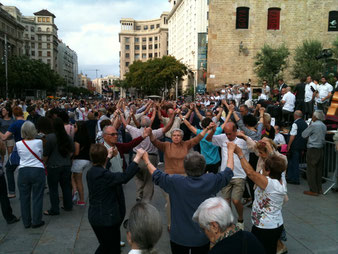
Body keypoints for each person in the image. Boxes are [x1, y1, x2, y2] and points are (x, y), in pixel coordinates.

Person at [141, 143, 236, 254]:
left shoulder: (175, 182)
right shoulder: (211, 180)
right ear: (203, 167)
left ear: (185, 167)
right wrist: (230, 151)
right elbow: (228, 171)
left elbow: (156, 174)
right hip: (203, 237)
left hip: (179, 237)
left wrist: (146, 159)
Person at [86, 144, 144, 254]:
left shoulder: (91, 172)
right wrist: (137, 158)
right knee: (111, 248)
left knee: (105, 245)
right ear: (103, 158)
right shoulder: (104, 175)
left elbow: (102, 167)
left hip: (95, 217)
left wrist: (108, 156)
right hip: (107, 219)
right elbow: (124, 177)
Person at [234, 145, 287, 254]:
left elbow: (250, 173)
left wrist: (239, 153)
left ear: (268, 171)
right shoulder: (280, 176)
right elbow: (275, 160)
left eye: (263, 167)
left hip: (265, 228)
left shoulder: (271, 185)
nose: (261, 168)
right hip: (273, 225)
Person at [206, 122, 249, 230]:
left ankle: (240, 219)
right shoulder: (222, 138)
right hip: (225, 175)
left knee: (236, 200)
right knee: (226, 201)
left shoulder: (243, 140)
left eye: (230, 134)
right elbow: (208, 139)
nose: (228, 136)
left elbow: (254, 147)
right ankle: (229, 221)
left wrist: (244, 136)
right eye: (226, 134)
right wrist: (212, 130)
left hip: (239, 175)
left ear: (236, 131)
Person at [193, 197, 265, 254]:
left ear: (214, 226)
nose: (204, 233)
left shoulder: (217, 251)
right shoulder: (249, 236)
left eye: (203, 228)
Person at [16, 121, 45, 228]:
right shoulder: (39, 142)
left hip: (23, 170)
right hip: (37, 170)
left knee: (24, 198)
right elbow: (41, 155)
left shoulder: (18, 144)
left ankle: (26, 222)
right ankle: (36, 220)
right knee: (37, 197)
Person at [43, 117, 74, 215]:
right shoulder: (67, 137)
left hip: (53, 166)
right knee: (66, 186)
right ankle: (68, 205)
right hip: (66, 165)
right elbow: (72, 151)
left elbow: (46, 154)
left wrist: (44, 162)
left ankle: (55, 209)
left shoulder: (50, 137)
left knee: (53, 188)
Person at [1, 106, 26, 198]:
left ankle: (12, 191)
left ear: (14, 114)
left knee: (9, 169)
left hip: (19, 149)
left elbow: (4, 137)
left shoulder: (15, 124)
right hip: (29, 150)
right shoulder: (29, 123)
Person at [301, 110, 327, 196]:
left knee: (311, 169)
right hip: (320, 148)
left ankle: (313, 189)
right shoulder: (323, 125)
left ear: (315, 117)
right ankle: (319, 189)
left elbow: (304, 134)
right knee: (319, 170)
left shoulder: (314, 125)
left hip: (313, 148)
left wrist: (309, 125)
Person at [71, 121, 92, 205]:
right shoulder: (87, 137)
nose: (73, 127)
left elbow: (76, 152)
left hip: (79, 160)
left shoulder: (77, 137)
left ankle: (81, 199)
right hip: (86, 160)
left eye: (75, 126)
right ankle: (75, 192)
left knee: (77, 180)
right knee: (74, 177)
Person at [286, 110, 307, 184]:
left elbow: (293, 135)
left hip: (294, 145)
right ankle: (293, 177)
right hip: (301, 145)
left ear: (295, 116)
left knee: (293, 162)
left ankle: (294, 178)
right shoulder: (305, 123)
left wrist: (289, 145)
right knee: (296, 162)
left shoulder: (295, 124)